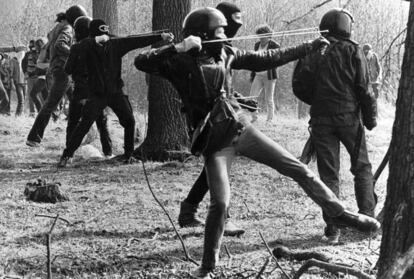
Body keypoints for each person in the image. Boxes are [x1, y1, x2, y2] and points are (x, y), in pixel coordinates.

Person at [134, 7, 380, 278]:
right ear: (201, 34)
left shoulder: (227, 52)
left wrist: (307, 47)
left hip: (241, 128)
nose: (224, 35)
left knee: (297, 169)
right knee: (221, 203)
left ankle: (341, 214)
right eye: (219, 31)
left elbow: (267, 58)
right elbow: (142, 61)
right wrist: (177, 47)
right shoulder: (178, 63)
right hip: (216, 142)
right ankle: (207, 267)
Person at [297, 8, 378, 244]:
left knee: (328, 174)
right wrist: (370, 119)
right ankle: (368, 221)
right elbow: (364, 88)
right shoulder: (353, 49)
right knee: (361, 167)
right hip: (348, 118)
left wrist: (320, 101)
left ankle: (333, 229)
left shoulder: (312, 50)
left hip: (321, 119)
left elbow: (299, 86)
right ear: (346, 27)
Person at [57, 19, 174, 167]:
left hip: (115, 92)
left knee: (129, 122)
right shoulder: (84, 46)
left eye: (106, 34)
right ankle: (67, 155)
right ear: (92, 35)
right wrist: (93, 41)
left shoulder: (116, 44)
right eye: (101, 35)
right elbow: (69, 67)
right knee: (84, 124)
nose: (105, 38)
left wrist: (160, 36)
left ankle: (129, 155)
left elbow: (136, 41)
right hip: (97, 94)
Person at [177, 1, 247, 237]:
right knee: (218, 167)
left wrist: (235, 97)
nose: (230, 31)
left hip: (222, 115)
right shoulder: (198, 48)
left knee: (217, 167)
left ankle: (189, 210)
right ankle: (216, 217)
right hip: (204, 120)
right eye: (228, 25)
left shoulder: (223, 45)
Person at [26, 5, 87, 147]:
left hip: (60, 70)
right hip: (62, 71)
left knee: (77, 102)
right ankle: (33, 137)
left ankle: (74, 138)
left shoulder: (58, 27)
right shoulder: (67, 28)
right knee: (50, 104)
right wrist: (75, 54)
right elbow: (60, 45)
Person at [64, 16, 113, 158]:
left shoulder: (76, 48)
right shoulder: (101, 46)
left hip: (79, 90)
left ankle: (69, 154)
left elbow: (68, 69)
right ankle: (108, 152)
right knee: (102, 123)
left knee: (73, 123)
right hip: (96, 90)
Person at [249, 24, 280, 122]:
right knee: (251, 97)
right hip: (258, 75)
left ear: (268, 35)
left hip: (269, 76)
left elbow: (278, 60)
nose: (261, 38)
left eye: (263, 35)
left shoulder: (275, 45)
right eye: (259, 35)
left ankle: (269, 120)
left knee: (269, 99)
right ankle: (254, 118)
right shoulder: (256, 45)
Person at [28, 37, 50, 113]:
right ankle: (53, 115)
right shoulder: (39, 53)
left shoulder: (45, 53)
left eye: (37, 45)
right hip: (41, 77)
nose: (35, 47)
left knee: (33, 94)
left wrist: (40, 65)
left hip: (44, 78)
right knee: (46, 98)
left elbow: (48, 65)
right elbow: (37, 66)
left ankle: (40, 112)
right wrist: (32, 73)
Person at [22, 40, 38, 116]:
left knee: (40, 95)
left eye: (33, 46)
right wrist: (25, 72)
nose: (31, 47)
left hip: (38, 77)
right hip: (30, 78)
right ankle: (32, 112)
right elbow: (23, 63)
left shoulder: (39, 53)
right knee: (31, 95)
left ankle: (40, 111)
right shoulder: (27, 54)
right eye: (30, 46)